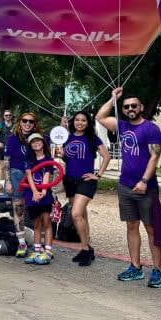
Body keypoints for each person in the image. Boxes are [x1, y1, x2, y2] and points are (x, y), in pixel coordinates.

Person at [96, 86, 161, 288]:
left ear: (141, 107)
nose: (130, 109)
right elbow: (100, 117)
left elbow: (154, 157)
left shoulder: (151, 129)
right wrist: (113, 99)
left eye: (133, 106)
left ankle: (157, 269)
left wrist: (144, 181)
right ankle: (135, 266)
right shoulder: (123, 126)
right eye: (126, 107)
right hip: (125, 185)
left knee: (152, 229)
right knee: (131, 226)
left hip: (146, 187)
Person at [57, 109, 111, 266]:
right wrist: (62, 155)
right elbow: (69, 160)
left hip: (86, 181)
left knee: (75, 214)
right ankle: (85, 247)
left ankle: (86, 249)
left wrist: (98, 175)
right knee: (82, 215)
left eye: (83, 120)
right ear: (73, 122)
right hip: (70, 180)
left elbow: (106, 156)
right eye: (77, 120)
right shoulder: (68, 138)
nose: (80, 123)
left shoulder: (92, 138)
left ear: (88, 123)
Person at [4, 112, 43, 258]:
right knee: (18, 209)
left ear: (35, 124)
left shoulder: (39, 138)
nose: (28, 124)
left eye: (31, 122)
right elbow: (7, 160)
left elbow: (52, 147)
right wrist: (7, 181)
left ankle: (40, 243)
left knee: (38, 209)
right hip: (17, 175)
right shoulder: (13, 139)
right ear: (20, 122)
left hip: (35, 174)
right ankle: (21, 242)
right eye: (25, 121)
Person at [23, 133, 55, 265]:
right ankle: (36, 250)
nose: (36, 143)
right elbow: (29, 176)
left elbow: (47, 175)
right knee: (36, 223)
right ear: (30, 145)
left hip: (45, 194)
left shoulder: (48, 159)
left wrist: (43, 191)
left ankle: (47, 251)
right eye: (33, 142)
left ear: (43, 142)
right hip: (32, 194)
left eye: (38, 141)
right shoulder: (28, 160)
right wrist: (35, 192)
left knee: (46, 222)